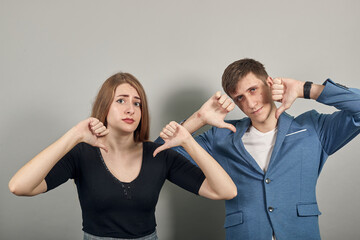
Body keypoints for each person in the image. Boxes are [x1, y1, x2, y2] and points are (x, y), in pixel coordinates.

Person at [8, 72, 237, 240]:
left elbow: (226, 190)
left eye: (137, 103)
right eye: (121, 100)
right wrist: (74, 135)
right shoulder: (82, 154)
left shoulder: (157, 155)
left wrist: (187, 140)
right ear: (104, 107)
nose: (130, 109)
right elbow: (19, 186)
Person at [157, 58, 360, 240]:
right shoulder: (221, 137)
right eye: (239, 98)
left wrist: (305, 89)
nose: (250, 103)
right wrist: (199, 118)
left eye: (253, 90)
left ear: (269, 83)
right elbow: (159, 153)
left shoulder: (312, 129)